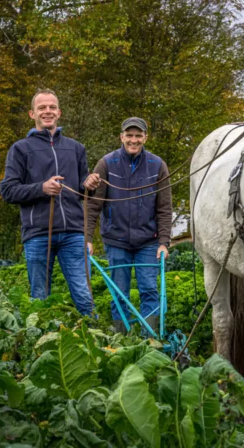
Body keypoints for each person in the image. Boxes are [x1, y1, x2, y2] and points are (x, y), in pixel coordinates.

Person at [0, 89, 101, 316]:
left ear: (59, 112)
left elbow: (82, 191)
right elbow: (8, 191)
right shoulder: (20, 149)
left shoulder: (76, 148)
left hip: (73, 233)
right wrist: (41, 188)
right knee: (40, 297)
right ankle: (40, 337)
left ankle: (94, 333)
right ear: (32, 114)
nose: (48, 111)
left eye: (52, 107)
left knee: (84, 295)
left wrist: (89, 184)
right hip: (38, 234)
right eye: (42, 108)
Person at [86, 117, 172, 334]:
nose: (134, 140)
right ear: (121, 137)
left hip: (148, 241)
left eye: (138, 135)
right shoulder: (107, 164)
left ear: (145, 138)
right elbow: (93, 205)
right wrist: (87, 238)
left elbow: (164, 208)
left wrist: (164, 242)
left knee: (149, 290)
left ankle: (149, 339)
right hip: (116, 240)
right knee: (119, 292)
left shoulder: (157, 165)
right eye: (129, 135)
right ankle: (122, 339)